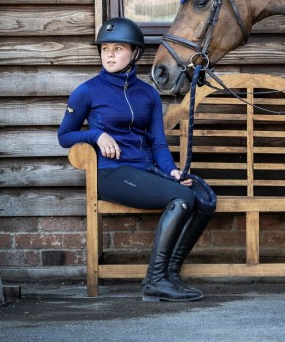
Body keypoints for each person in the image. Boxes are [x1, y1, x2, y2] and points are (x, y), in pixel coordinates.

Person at [58, 17, 215, 302]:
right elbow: (65, 136)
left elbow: (157, 142)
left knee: (203, 198)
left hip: (145, 169)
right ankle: (155, 282)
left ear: (135, 54)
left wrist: (171, 172)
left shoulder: (148, 94)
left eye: (118, 48)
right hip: (110, 173)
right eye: (105, 49)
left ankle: (170, 275)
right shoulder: (88, 91)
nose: (110, 54)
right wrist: (95, 135)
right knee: (181, 200)